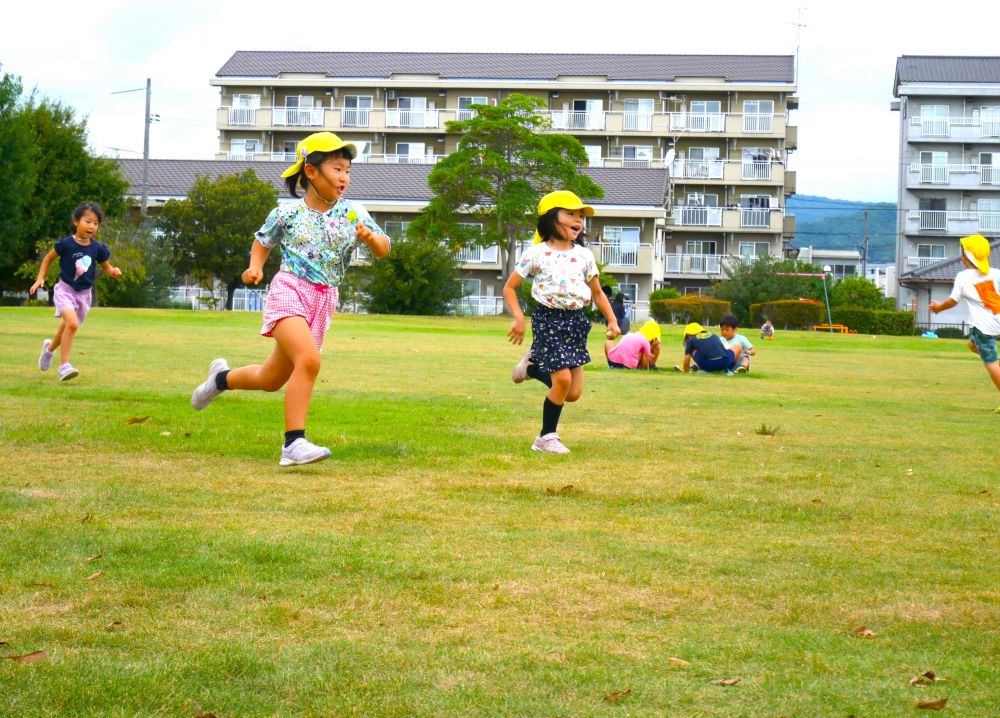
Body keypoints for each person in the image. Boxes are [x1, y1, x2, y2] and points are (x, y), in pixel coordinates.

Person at [190, 132, 391, 465]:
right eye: (337, 168)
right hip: (290, 290)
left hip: (324, 300)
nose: (345, 177)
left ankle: (219, 379)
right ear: (311, 172)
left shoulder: (354, 213)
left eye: (348, 170)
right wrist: (255, 266)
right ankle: (292, 444)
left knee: (271, 379)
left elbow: (384, 248)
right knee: (309, 361)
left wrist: (370, 238)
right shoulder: (286, 214)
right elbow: (263, 242)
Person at [505, 190, 620, 454]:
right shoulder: (536, 254)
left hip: (577, 322)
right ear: (550, 217)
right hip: (548, 319)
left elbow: (598, 292)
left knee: (573, 392)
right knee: (563, 380)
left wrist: (612, 321)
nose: (578, 220)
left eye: (580, 216)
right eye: (570, 214)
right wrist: (519, 317)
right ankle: (546, 437)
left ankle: (531, 369)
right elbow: (510, 288)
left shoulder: (584, 255)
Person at [30, 202, 122, 382]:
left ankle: (49, 349)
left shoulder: (98, 248)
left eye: (95, 223)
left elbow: (106, 267)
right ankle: (64, 366)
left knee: (66, 327)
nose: (92, 226)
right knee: (71, 324)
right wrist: (40, 278)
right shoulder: (65, 244)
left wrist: (114, 272)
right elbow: (48, 259)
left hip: (84, 295)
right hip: (65, 290)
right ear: (76, 221)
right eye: (88, 221)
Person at [929, 233, 1000, 412]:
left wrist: (938, 308)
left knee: (990, 362)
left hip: (984, 327)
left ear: (965, 257)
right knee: (971, 344)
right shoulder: (996, 274)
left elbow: (952, 301)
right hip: (994, 323)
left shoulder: (963, 277)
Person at [674, 322, 742, 374]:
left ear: (689, 335)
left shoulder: (692, 340)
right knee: (738, 346)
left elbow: (687, 358)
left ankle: (691, 369)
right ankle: (729, 369)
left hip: (707, 365)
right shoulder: (713, 334)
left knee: (693, 350)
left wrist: (686, 371)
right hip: (724, 362)